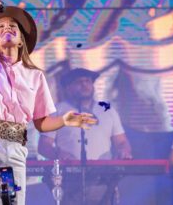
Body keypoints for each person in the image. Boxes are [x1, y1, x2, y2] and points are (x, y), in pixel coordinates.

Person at [0, 0, 96, 205]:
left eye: (13, 26)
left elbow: (42, 122)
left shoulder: (35, 75)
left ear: (21, 39)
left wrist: (64, 120)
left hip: (12, 152)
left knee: (8, 202)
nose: (7, 29)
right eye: (0, 27)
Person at [38, 68, 132, 205]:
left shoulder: (107, 109)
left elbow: (122, 141)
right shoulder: (57, 111)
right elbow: (44, 146)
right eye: (79, 82)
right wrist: (59, 154)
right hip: (69, 181)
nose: (84, 85)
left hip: (104, 179)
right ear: (68, 88)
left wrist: (124, 151)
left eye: (88, 81)